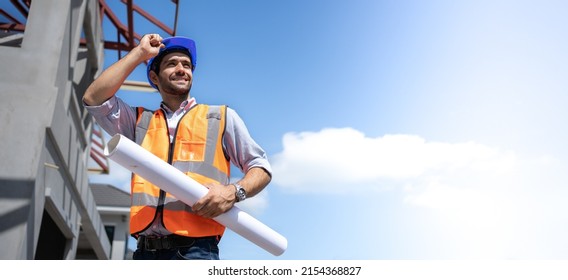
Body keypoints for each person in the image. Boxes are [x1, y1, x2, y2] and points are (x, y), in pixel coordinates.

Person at [83, 34, 272, 260]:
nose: (181, 69)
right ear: (154, 76)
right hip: (144, 253)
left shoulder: (221, 117)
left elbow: (260, 166)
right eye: (171, 64)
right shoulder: (137, 122)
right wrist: (139, 54)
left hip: (196, 252)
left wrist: (233, 192)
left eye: (187, 65)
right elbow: (94, 98)